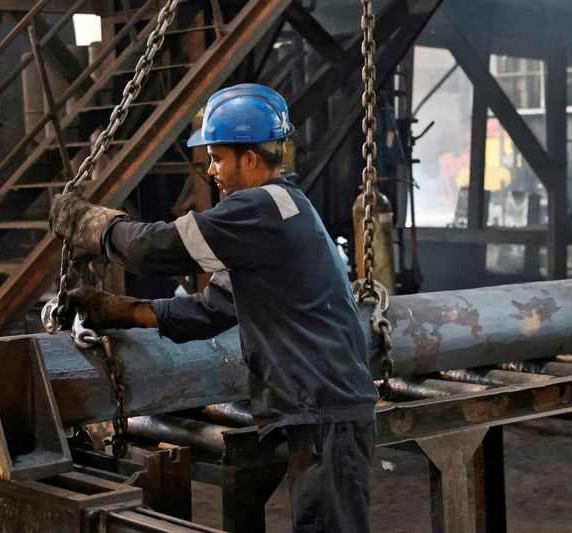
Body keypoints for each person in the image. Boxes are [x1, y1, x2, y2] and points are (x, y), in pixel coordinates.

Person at [49, 83, 378, 532]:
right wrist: (118, 311)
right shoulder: (277, 216)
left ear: (250, 158)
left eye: (218, 157)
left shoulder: (263, 207)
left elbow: (157, 248)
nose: (211, 170)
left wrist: (92, 225)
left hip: (326, 410)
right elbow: (212, 310)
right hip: (320, 408)